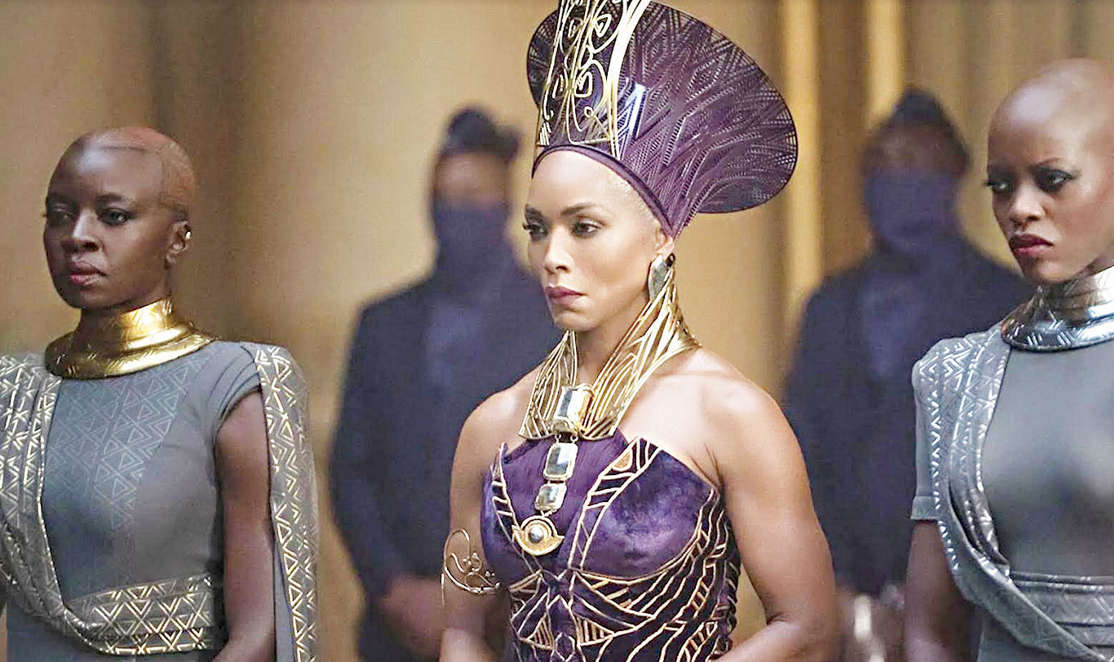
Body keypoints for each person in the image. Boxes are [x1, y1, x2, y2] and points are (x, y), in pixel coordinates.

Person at [440, 3, 838, 661]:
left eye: (584, 227)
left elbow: (809, 627)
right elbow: (461, 630)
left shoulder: (730, 413)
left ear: (660, 237)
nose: (553, 256)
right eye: (537, 229)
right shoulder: (492, 426)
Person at [905, 59, 1114, 661]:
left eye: (1053, 179)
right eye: (1001, 186)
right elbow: (931, 631)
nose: (1021, 208)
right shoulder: (954, 375)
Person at [0, 127, 317, 660]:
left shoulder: (231, 385)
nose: (77, 235)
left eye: (113, 216)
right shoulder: (13, 394)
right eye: (58, 214)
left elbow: (259, 633)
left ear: (177, 240)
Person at [331, 108, 558, 661]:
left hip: (519, 627)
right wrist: (393, 590)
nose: (455, 214)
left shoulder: (552, 320)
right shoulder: (383, 323)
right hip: (396, 630)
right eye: (443, 198)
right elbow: (350, 470)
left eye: (472, 198)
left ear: (504, 206)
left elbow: (570, 472)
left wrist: (492, 602)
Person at [783, 91, 1026, 604]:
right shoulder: (829, 308)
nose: (897, 177)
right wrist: (835, 584)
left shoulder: (1007, 303)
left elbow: (1020, 473)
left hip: (973, 606)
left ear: (953, 175)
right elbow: (801, 453)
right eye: (882, 164)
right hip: (845, 603)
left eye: (915, 162)